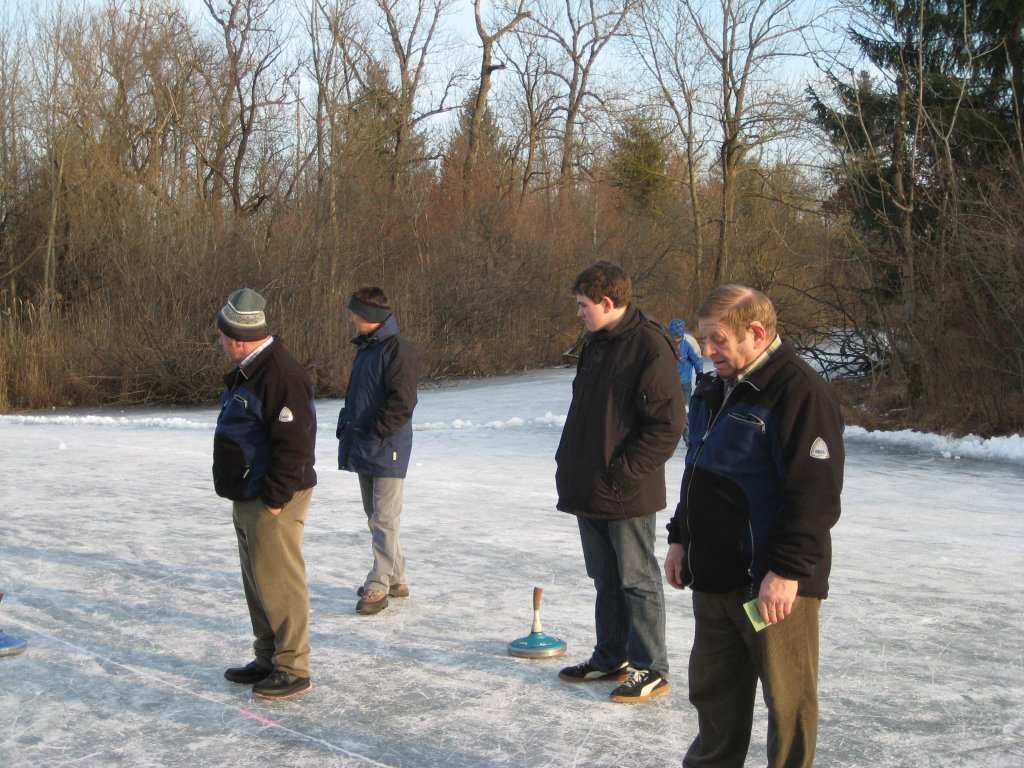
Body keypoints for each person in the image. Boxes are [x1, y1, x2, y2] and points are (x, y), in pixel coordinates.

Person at [664, 284, 845, 767]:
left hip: (772, 586)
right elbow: (697, 469)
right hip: (716, 578)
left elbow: (816, 497)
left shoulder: (799, 393)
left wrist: (785, 571)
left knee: (788, 706)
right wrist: (680, 537)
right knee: (714, 695)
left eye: (717, 339)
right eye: (704, 339)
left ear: (757, 332)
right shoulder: (713, 387)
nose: (706, 351)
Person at [555, 261, 685, 703]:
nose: (579, 313)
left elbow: (667, 425)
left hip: (625, 491)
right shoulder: (597, 343)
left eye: (583, 305)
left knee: (636, 578)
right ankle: (611, 656)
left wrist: (622, 473)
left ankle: (652, 666)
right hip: (589, 486)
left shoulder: (649, 346)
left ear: (607, 303)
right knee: (605, 578)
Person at [213, 288, 317, 700]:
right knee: (258, 582)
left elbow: (297, 443)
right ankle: (268, 656)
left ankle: (292, 667)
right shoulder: (252, 369)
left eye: (222, 336)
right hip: (249, 493)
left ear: (239, 338)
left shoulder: (280, 373)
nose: (219, 342)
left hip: (273, 497)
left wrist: (275, 498)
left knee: (280, 582)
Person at [337, 287, 419, 615]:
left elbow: (403, 401)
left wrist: (378, 431)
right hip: (364, 443)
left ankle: (379, 582)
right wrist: (347, 423)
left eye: (354, 313)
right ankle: (397, 577)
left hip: (387, 447)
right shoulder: (368, 349)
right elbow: (356, 395)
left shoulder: (398, 349)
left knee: (384, 517)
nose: (350, 318)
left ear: (369, 316)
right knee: (375, 516)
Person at [668, 317, 704, 443]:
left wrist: (700, 373)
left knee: (686, 409)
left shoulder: (689, 342)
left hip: (684, 382)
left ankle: (688, 435)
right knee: (668, 407)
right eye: (674, 337)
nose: (676, 340)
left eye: (678, 337)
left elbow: (697, 358)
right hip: (668, 381)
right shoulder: (664, 340)